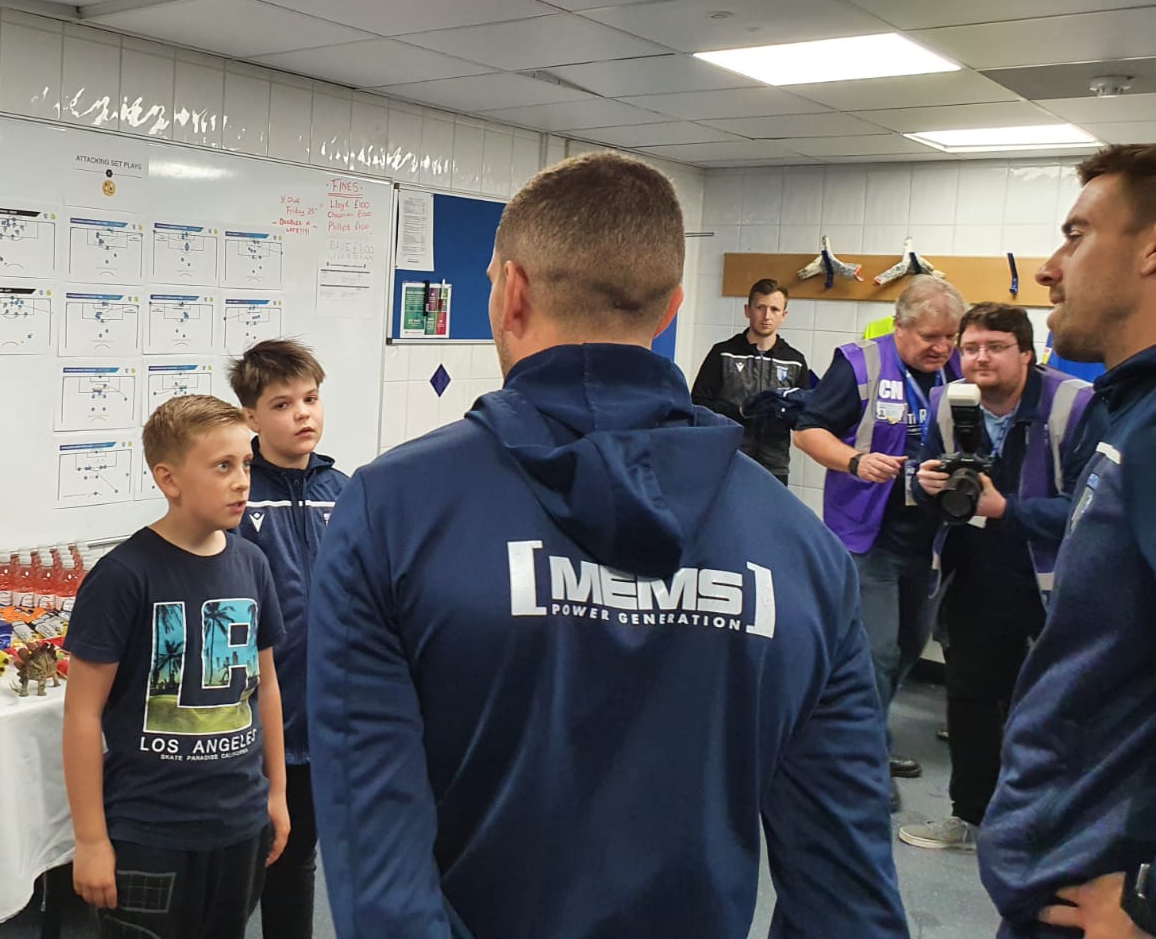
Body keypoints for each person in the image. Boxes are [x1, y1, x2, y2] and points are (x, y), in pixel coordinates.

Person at [308, 151, 905, 939]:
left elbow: (379, 863)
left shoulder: (390, 510)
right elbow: (849, 894)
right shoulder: (802, 549)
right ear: (670, 309)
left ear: (512, 291)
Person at [979, 141, 1156, 938]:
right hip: (1068, 864)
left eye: (1076, 234)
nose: (1048, 266)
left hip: (1109, 894)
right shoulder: (1134, 409)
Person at [63, 395, 288, 939]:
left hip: (239, 821)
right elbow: (82, 716)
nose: (241, 481)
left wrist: (275, 793)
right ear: (169, 479)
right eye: (222, 466)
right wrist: (92, 840)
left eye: (246, 466)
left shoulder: (252, 564)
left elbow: (267, 687)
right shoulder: (123, 576)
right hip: (150, 830)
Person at [898, 303, 1101, 854]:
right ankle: (971, 818)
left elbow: (1093, 507)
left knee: (1057, 705)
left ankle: (1058, 830)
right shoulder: (948, 399)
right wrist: (929, 481)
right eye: (970, 348)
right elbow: (920, 473)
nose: (979, 358)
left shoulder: (1074, 405)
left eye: (994, 347)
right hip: (976, 574)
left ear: (1027, 354)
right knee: (969, 697)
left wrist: (1006, 508)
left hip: (1058, 578)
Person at [792, 276, 966, 810]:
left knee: (911, 646)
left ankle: (861, 739)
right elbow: (806, 429)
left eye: (950, 337)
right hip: (867, 534)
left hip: (931, 538)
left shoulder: (958, 375)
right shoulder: (861, 363)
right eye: (930, 336)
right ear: (900, 326)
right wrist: (854, 460)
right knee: (875, 653)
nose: (942, 347)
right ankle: (862, 764)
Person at [226, 340, 349, 939]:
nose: (303, 414)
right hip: (249, 718)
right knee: (238, 864)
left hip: (320, 718)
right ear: (250, 417)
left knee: (298, 856)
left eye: (311, 398)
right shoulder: (236, 495)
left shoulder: (345, 492)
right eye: (282, 404)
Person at [691, 277, 812, 483]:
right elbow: (697, 404)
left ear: (784, 315)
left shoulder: (795, 361)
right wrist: (740, 411)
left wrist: (788, 412)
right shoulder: (723, 353)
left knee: (768, 515)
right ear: (748, 310)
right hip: (727, 459)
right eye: (760, 307)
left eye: (774, 309)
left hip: (774, 465)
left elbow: (806, 416)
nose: (766, 316)